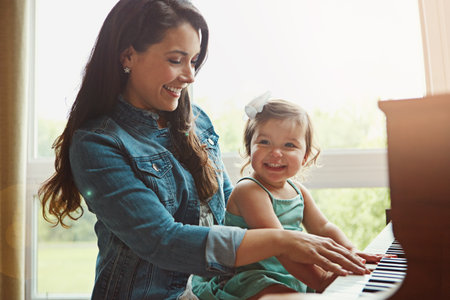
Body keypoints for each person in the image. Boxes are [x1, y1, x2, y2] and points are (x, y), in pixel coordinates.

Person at [38, 1, 368, 299]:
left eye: (194, 61)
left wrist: (339, 262)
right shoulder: (97, 143)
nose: (190, 75)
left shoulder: (197, 123)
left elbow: (228, 216)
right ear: (127, 56)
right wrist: (284, 241)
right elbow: (163, 241)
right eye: (176, 60)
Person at [191, 95, 386, 299]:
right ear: (250, 148)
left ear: (305, 155)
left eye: (289, 145)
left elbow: (323, 228)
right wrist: (321, 280)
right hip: (254, 278)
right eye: (264, 142)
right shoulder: (249, 191)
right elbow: (280, 245)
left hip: (295, 274)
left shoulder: (298, 191)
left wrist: (351, 252)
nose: (275, 153)